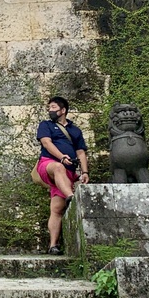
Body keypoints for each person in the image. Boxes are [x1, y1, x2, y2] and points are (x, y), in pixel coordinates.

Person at [36, 95, 89, 256]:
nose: (49, 110)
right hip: (49, 164)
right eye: (49, 107)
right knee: (58, 167)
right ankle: (72, 196)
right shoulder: (46, 125)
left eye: (53, 107)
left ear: (63, 110)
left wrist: (85, 172)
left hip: (68, 172)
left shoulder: (75, 130)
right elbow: (47, 143)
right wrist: (61, 156)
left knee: (57, 209)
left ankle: (53, 245)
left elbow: (81, 152)